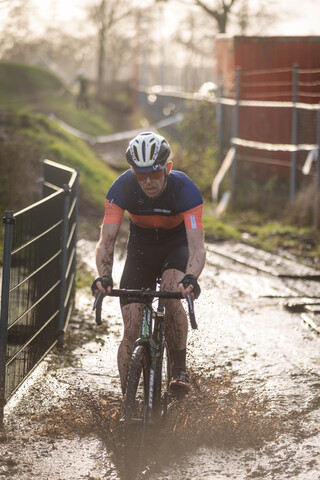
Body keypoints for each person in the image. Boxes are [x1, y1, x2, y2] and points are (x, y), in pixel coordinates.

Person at [91, 131, 206, 397]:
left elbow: (197, 246)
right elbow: (106, 242)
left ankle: (179, 369)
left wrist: (190, 278)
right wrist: (104, 276)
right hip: (141, 250)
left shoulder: (185, 190)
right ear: (132, 171)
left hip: (176, 247)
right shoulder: (121, 188)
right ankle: (127, 402)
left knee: (170, 292)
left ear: (168, 168)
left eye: (154, 174)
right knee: (131, 327)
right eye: (140, 175)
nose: (148, 181)